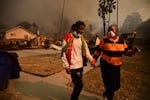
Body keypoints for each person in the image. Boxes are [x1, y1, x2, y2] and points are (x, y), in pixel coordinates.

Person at [92, 24, 139, 100]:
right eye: (109, 30)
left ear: (117, 31)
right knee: (111, 86)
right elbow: (98, 51)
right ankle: (108, 97)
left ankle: (105, 94)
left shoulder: (121, 41)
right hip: (106, 65)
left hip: (116, 66)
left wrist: (133, 51)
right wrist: (94, 60)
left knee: (117, 86)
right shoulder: (104, 41)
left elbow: (126, 52)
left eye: (112, 30)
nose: (110, 32)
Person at [61, 20, 94, 100]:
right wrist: (66, 65)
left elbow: (87, 52)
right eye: (80, 29)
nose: (82, 31)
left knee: (77, 85)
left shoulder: (81, 39)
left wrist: (91, 60)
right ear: (76, 28)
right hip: (73, 66)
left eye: (83, 29)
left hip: (80, 66)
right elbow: (63, 52)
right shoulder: (68, 37)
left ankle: (75, 98)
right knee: (79, 85)